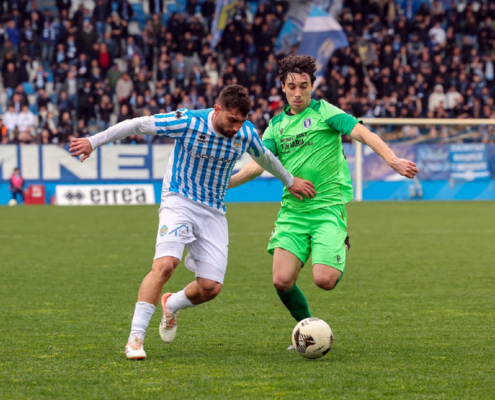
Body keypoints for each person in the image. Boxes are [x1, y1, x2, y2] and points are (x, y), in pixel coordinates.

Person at [69, 85, 315, 360]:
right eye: (232, 120)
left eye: (241, 121)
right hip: (179, 200)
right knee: (165, 265)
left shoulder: (245, 133)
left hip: (213, 211)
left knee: (210, 288)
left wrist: (290, 181)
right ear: (217, 109)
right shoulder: (188, 121)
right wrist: (94, 141)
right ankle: (135, 339)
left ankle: (172, 303)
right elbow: (138, 124)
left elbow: (265, 158)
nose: (236, 127)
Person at [229, 55, 418, 349]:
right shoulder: (276, 126)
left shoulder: (325, 112)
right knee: (281, 281)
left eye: (304, 86)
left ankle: (340, 240)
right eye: (292, 86)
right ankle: (308, 329)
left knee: (324, 280)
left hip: (327, 209)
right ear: (283, 87)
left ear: (312, 86)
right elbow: (259, 164)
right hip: (293, 212)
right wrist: (225, 183)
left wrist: (392, 160)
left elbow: (362, 133)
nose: (298, 93)